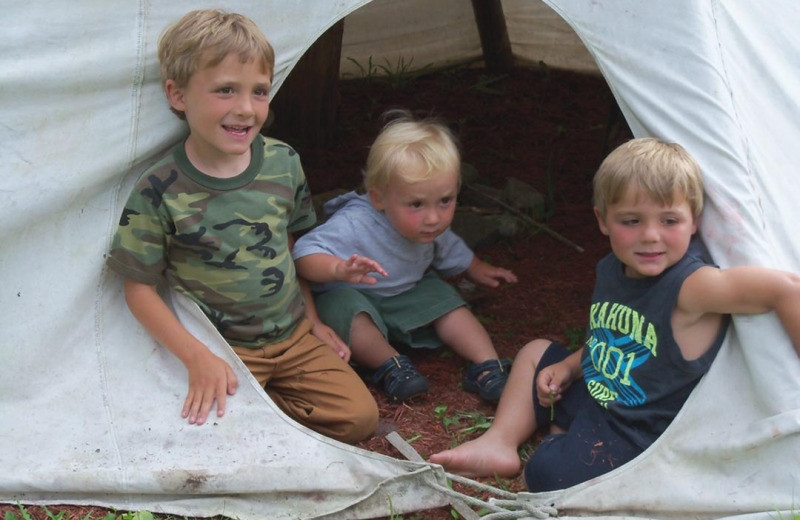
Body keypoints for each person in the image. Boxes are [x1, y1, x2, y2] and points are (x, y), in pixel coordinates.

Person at [429, 137, 800, 490]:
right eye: (631, 221)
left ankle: (563, 440)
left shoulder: (693, 286)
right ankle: (498, 442)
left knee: (544, 473)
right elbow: (608, 336)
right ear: (603, 220)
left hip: (635, 432)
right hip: (597, 393)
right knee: (535, 353)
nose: (651, 235)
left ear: (695, 221)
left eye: (669, 221)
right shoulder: (612, 267)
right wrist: (571, 367)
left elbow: (786, 289)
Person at [105, 9, 378, 444]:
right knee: (205, 436)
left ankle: (265, 409)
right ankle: (253, 408)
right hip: (222, 349)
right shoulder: (159, 190)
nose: (246, 109)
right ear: (177, 95)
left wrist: (312, 321)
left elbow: (286, 252)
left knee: (359, 418)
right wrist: (197, 358)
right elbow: (138, 290)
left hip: (294, 340)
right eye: (225, 90)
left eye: (260, 91)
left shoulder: (283, 163)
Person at [292, 111, 518, 404]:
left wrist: (476, 268)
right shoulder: (355, 222)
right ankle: (391, 365)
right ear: (379, 198)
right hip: (357, 293)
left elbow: (447, 246)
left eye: (445, 201)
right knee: (344, 309)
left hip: (407, 290)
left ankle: (487, 366)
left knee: (447, 302)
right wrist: (337, 268)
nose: (434, 218)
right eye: (416, 204)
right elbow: (302, 254)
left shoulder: (429, 226)